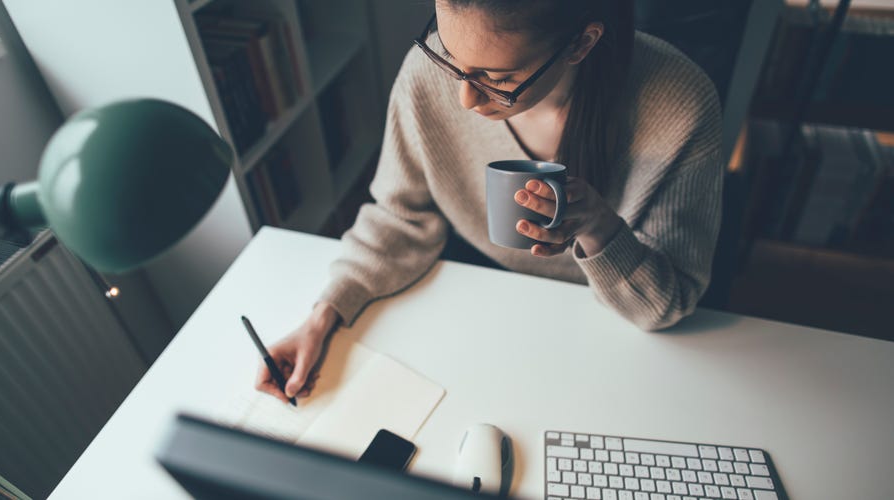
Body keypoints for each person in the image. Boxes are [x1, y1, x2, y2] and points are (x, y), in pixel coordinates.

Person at [257, 0, 722, 402]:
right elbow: (399, 216)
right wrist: (323, 317)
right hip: (476, 303)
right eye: (450, 56)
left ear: (581, 44)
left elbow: (668, 300)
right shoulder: (429, 73)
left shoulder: (680, 104)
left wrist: (599, 226)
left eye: (497, 78)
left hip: (610, 333)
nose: (463, 97)